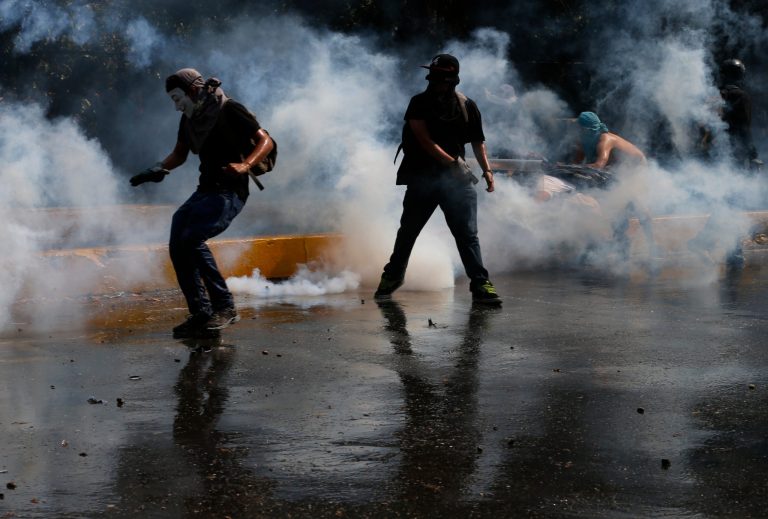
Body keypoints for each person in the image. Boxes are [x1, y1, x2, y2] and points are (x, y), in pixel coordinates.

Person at [130, 68, 274, 338]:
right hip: (206, 189)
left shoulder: (229, 108)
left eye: (177, 98)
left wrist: (245, 165)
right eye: (173, 101)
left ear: (193, 91)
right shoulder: (189, 118)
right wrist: (157, 169)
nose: (176, 106)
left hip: (230, 191)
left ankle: (225, 307)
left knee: (193, 238)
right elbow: (179, 154)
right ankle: (201, 313)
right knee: (178, 236)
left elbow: (265, 141)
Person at [374, 54, 501, 305]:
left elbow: (478, 141)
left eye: (441, 78)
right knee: (408, 232)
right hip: (423, 178)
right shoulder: (418, 103)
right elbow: (424, 139)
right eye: (433, 77)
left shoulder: (467, 105)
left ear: (452, 80)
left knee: (467, 234)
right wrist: (451, 163)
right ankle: (393, 276)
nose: (435, 82)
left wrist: (487, 171)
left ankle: (480, 283)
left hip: (456, 181)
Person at [573, 111, 657, 262]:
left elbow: (599, 164)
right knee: (611, 201)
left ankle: (652, 247)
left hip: (634, 167)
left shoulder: (605, 139)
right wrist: (563, 167)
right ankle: (620, 241)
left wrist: (577, 168)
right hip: (612, 170)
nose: (578, 131)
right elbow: (577, 164)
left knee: (633, 201)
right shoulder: (583, 140)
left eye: (581, 128)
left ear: (588, 128)